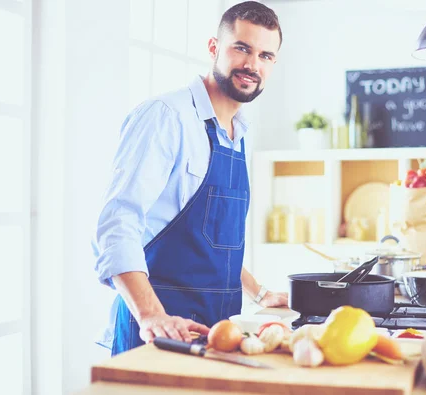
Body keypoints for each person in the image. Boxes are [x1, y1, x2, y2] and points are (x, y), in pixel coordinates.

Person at [92, 1, 287, 356]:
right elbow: (117, 225)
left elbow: (210, 244)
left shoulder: (239, 133)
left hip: (218, 329)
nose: (252, 64)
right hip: (157, 332)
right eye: (241, 48)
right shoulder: (167, 117)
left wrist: (258, 292)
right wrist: (151, 316)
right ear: (214, 48)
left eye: (265, 55)